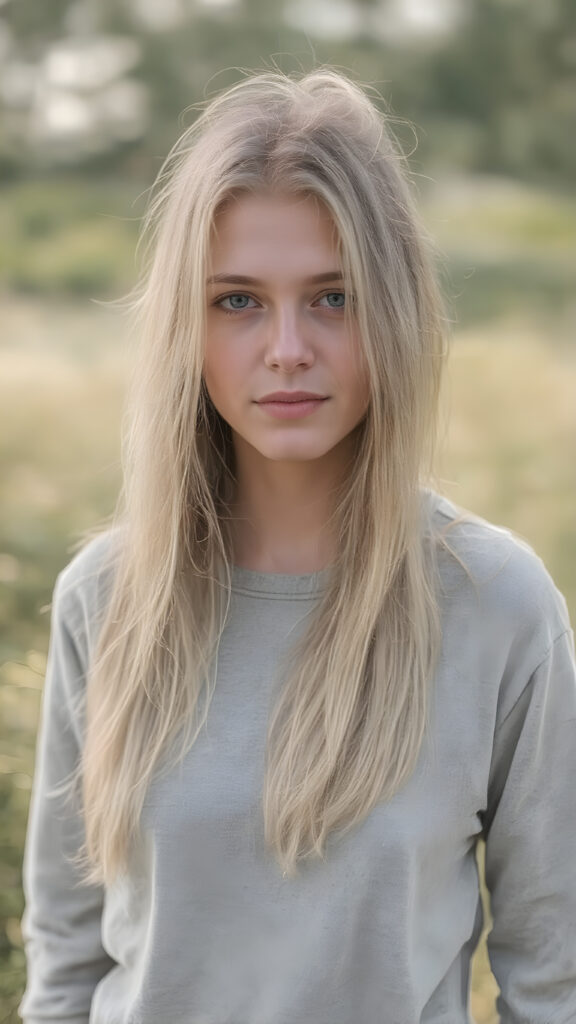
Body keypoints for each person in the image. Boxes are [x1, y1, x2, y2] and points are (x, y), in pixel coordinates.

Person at [20, 70, 576, 1024]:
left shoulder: (496, 603)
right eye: (237, 301)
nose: (286, 348)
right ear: (184, 328)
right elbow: (67, 966)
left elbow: (554, 975)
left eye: (333, 297)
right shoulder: (105, 598)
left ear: (395, 313)